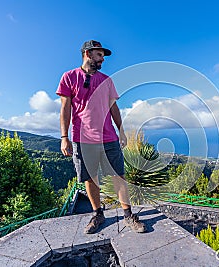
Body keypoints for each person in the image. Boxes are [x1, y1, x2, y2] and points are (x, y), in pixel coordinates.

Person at [56, 39, 146, 234]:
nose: (102, 59)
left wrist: (121, 130)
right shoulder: (69, 77)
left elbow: (114, 107)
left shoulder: (107, 80)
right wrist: (64, 137)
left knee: (118, 176)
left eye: (103, 56)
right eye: (99, 55)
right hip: (82, 138)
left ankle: (128, 215)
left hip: (108, 137)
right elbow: (65, 109)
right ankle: (98, 214)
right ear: (87, 54)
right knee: (90, 178)